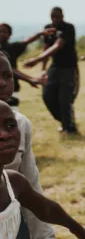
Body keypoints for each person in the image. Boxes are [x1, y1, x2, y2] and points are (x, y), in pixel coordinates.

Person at [0, 101, 85, 239]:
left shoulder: (14, 182)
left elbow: (46, 209)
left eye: (10, 125)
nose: (4, 135)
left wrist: (79, 230)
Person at [0, 52, 56, 239]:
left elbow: (31, 184)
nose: (2, 83)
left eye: (7, 76)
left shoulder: (20, 124)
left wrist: (44, 235)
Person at [24, 7, 79, 134]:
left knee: (64, 99)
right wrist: (43, 68)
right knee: (47, 95)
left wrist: (36, 59)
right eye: (53, 16)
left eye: (58, 16)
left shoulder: (68, 28)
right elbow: (46, 47)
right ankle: (65, 122)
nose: (55, 19)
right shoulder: (48, 28)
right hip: (54, 67)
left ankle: (69, 127)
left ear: (62, 15)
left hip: (68, 67)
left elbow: (58, 45)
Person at [0, 23, 50, 111]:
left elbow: (27, 41)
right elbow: (10, 69)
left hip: (12, 88)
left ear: (10, 34)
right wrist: (30, 79)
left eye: (4, 32)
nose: (1, 34)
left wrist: (40, 34)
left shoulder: (13, 48)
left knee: (12, 114)